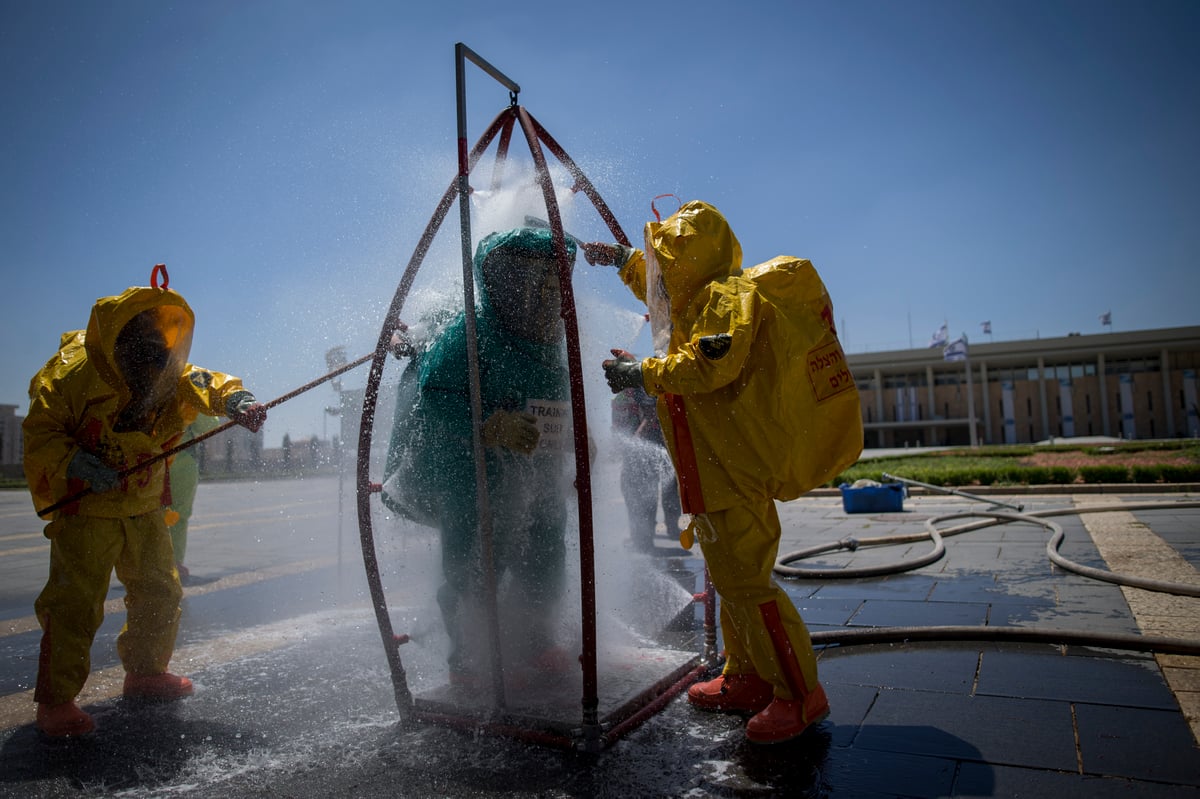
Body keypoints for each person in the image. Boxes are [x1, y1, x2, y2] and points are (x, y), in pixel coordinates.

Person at [585, 200, 862, 744]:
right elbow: (662, 298)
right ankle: (747, 677)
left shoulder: (724, 298)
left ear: (691, 259)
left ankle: (800, 694)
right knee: (731, 583)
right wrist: (621, 259)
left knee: (749, 586)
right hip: (712, 473)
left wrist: (641, 372)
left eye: (665, 259)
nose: (658, 273)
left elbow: (712, 364)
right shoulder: (695, 300)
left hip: (733, 473)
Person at [23, 270, 267, 737]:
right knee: (75, 604)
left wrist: (238, 400)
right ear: (116, 351)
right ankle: (56, 702)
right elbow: (40, 432)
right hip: (88, 508)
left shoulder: (164, 369)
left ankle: (145, 673)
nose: (151, 375)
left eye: (159, 360)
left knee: (160, 590)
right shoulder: (72, 377)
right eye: (141, 362)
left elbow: (204, 382)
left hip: (143, 502)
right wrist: (78, 462)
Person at [382, 227, 577, 688]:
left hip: (537, 463)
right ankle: (466, 651)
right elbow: (434, 392)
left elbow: (563, 396)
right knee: (475, 553)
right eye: (518, 278)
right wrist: (488, 423)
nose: (531, 292)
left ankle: (535, 635)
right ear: (493, 279)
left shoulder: (551, 339)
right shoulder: (471, 330)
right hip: (471, 468)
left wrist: (574, 437)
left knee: (546, 543)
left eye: (544, 279)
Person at [609, 350, 681, 553]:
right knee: (634, 492)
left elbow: (650, 415)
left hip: (648, 449)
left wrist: (634, 442)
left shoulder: (640, 386)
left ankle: (651, 538)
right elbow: (618, 423)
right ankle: (641, 538)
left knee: (647, 493)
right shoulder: (620, 393)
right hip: (636, 450)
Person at [165, 413, 221, 583]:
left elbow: (209, 425)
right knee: (146, 514)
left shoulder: (190, 388)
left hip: (181, 460)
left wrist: (195, 398)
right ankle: (155, 564)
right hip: (148, 458)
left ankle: (172, 562)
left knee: (178, 516)